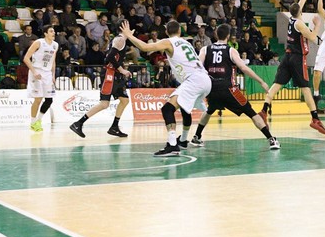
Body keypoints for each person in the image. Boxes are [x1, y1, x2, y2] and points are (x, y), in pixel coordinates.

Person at [121, 20, 212, 156]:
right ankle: (182, 141)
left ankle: (172, 145)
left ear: (166, 32)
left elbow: (145, 47)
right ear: (180, 31)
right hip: (205, 79)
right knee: (184, 109)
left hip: (194, 80)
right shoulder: (187, 42)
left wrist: (128, 35)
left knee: (167, 109)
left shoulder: (169, 42)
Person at [190, 24, 280, 150]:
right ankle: (271, 139)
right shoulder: (230, 50)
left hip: (211, 88)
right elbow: (243, 68)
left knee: (210, 110)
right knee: (251, 112)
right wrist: (261, 81)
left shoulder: (205, 49)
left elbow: (197, 66)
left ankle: (196, 136)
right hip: (228, 88)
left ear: (216, 35)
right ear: (228, 36)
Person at [257, 0, 325, 134]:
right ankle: (315, 118)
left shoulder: (292, 18)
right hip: (296, 58)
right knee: (305, 88)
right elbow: (313, 37)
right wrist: (317, 24)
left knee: (277, 84)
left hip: (287, 57)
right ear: (299, 11)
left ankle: (263, 110)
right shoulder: (300, 24)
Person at [70, 35, 132, 138]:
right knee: (104, 104)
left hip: (116, 76)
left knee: (124, 100)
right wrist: (122, 70)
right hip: (110, 75)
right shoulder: (120, 39)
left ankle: (114, 127)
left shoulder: (121, 40)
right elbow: (109, 57)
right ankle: (78, 123)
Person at [24, 25, 58, 132]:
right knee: (38, 99)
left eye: (54, 31)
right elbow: (26, 58)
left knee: (49, 100)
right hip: (37, 71)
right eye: (51, 31)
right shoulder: (39, 42)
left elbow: (53, 61)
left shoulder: (55, 45)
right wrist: (34, 71)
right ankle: (32, 122)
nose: (54, 33)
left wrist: (53, 75)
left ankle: (38, 120)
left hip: (47, 73)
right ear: (45, 33)